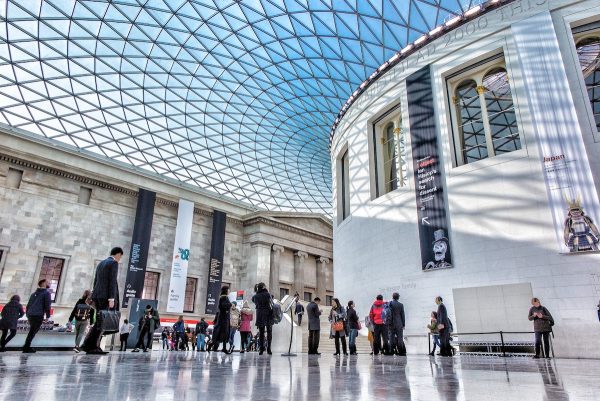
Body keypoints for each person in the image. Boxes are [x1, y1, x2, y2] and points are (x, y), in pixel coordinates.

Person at [82, 247, 122, 354]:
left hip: (98, 295)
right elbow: (112, 281)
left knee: (99, 322)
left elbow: (96, 281)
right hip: (106, 297)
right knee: (102, 322)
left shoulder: (101, 263)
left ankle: (89, 345)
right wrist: (111, 298)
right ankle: (92, 346)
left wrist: (94, 294)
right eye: (120, 256)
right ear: (118, 254)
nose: (120, 259)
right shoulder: (113, 263)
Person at [23, 279, 52, 353]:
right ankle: (26, 347)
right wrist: (48, 316)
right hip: (38, 315)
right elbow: (47, 305)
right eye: (48, 282)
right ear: (44, 283)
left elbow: (29, 305)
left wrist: (27, 313)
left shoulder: (34, 293)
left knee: (32, 331)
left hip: (30, 314)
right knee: (33, 331)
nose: (50, 283)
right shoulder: (46, 293)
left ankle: (26, 346)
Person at [209, 286, 232, 353]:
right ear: (226, 290)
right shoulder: (224, 297)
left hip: (224, 318)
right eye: (228, 290)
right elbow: (224, 305)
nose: (229, 291)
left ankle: (219, 346)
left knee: (223, 333)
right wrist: (230, 304)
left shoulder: (224, 297)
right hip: (224, 318)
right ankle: (221, 347)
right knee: (224, 333)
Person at [253, 282, 273, 355]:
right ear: (264, 287)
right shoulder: (267, 294)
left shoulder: (256, 296)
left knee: (261, 333)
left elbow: (254, 301)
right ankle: (269, 349)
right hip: (268, 314)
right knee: (269, 331)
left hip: (260, 314)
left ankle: (261, 349)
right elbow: (271, 302)